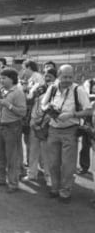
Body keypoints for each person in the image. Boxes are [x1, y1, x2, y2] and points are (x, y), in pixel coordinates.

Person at [41, 64, 92, 203]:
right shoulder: (52, 88)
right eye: (64, 77)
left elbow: (88, 110)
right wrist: (49, 108)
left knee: (68, 164)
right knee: (53, 163)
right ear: (59, 76)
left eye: (70, 77)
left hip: (70, 130)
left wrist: (71, 114)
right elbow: (43, 104)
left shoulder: (78, 90)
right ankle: (55, 188)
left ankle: (65, 192)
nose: (67, 80)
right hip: (53, 129)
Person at [0, 68, 27, 193]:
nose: (1, 80)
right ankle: (0, 179)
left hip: (13, 126)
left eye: (4, 78)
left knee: (12, 157)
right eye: (0, 78)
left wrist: (8, 105)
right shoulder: (2, 91)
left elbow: (23, 112)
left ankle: (13, 184)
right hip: (1, 125)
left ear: (12, 79)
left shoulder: (18, 92)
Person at [22, 67, 57, 184]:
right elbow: (29, 99)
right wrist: (32, 89)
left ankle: (49, 177)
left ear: (55, 78)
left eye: (50, 77)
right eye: (45, 76)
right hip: (34, 121)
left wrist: (43, 122)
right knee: (33, 150)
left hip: (46, 124)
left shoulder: (56, 90)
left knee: (46, 152)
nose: (47, 79)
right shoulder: (39, 88)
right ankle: (32, 174)